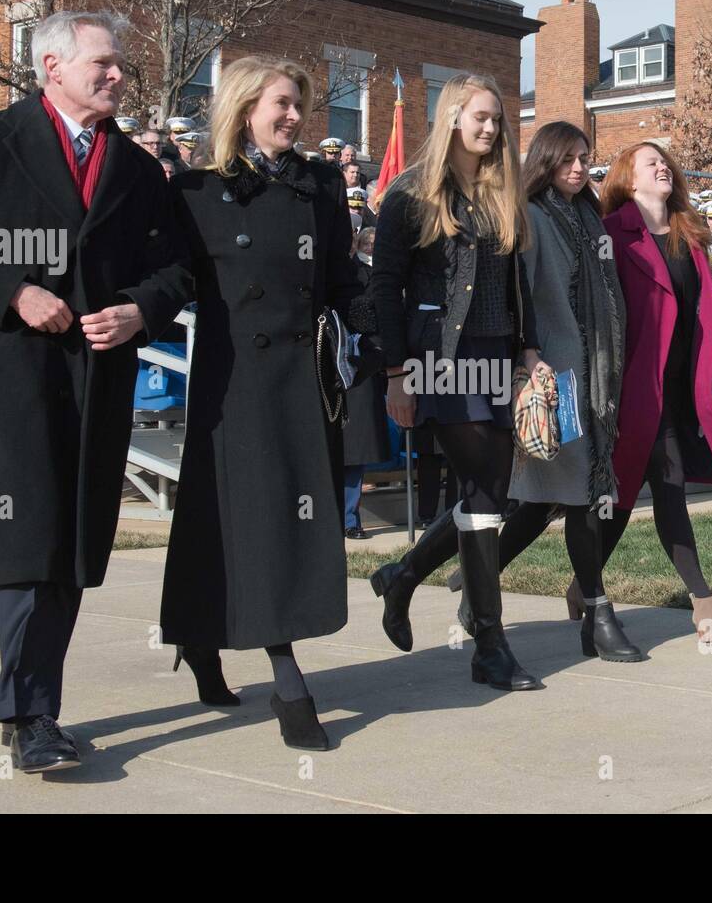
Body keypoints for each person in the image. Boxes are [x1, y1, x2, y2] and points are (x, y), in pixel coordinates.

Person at [0, 11, 194, 774]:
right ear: (52, 66)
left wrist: (142, 310)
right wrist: (12, 291)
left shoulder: (135, 167)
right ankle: (30, 713)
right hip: (16, 379)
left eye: (121, 64)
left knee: (71, 545)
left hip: (99, 380)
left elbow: (175, 268)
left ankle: (35, 705)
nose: (118, 74)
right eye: (104, 62)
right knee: (28, 540)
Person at [159, 55, 377, 752]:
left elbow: (344, 279)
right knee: (248, 522)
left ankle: (199, 636)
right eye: (281, 103)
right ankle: (288, 682)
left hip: (305, 379)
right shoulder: (198, 189)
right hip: (237, 383)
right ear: (244, 107)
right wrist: (132, 312)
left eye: (300, 105)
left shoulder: (316, 185)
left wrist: (385, 334)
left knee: (279, 518)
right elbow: (173, 280)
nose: (294, 117)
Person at [369, 73, 548, 690]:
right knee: (484, 489)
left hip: (497, 354)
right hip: (438, 358)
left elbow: (516, 287)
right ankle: (489, 643)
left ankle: (405, 575)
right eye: (480, 117)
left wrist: (528, 353)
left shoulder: (504, 195)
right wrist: (396, 375)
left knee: (493, 491)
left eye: (498, 119)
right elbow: (382, 290)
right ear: (451, 118)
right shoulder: (410, 195)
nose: (491, 128)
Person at [439, 121, 634, 660]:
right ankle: (596, 611)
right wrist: (533, 363)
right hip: (555, 378)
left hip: (594, 375)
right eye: (567, 158)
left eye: (584, 158)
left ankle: (471, 586)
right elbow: (519, 299)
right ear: (545, 160)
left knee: (546, 497)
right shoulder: (529, 217)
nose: (578, 168)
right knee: (580, 495)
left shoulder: (589, 217)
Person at [595, 142, 712, 642]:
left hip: (682, 384)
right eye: (651, 162)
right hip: (634, 385)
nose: (663, 166)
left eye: (666, 162)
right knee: (666, 488)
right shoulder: (612, 234)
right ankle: (705, 604)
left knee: (625, 498)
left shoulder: (689, 234)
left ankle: (584, 584)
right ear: (628, 177)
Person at [343, 227, 390, 540]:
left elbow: (377, 322)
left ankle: (349, 517)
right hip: (316, 369)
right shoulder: (310, 272)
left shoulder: (367, 276)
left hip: (357, 370)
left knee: (354, 452)